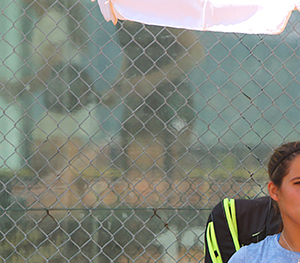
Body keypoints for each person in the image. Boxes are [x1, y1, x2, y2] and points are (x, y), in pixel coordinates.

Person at [1, 0, 99, 195]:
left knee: (54, 176)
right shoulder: (54, 19)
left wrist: (16, 88)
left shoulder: (51, 20)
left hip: (63, 115)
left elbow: (52, 70)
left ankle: (56, 218)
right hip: (71, 110)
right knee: (66, 179)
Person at [106, 23, 204, 179]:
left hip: (170, 95)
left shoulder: (159, 8)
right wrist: (117, 85)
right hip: (137, 95)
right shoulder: (120, 10)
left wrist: (152, 81)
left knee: (172, 156)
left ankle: (172, 197)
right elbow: (131, 52)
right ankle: (134, 197)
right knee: (132, 155)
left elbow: (195, 51)